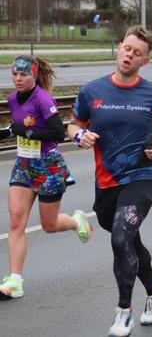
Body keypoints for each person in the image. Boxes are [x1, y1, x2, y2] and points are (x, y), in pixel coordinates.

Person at [68, 26, 152, 336]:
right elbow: (73, 124)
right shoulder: (92, 90)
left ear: (145, 61)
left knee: (120, 239)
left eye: (137, 53)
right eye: (127, 48)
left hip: (143, 176)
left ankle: (123, 312)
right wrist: (79, 135)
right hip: (107, 182)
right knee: (124, 237)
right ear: (119, 48)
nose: (130, 55)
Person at [0, 56, 91, 300]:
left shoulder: (43, 99)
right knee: (17, 220)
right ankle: (14, 281)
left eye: (24, 75)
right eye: (15, 75)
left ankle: (76, 221)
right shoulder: (11, 99)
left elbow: (57, 133)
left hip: (48, 165)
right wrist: (10, 131)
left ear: (34, 76)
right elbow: (20, 125)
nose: (18, 79)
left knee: (49, 225)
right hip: (24, 164)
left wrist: (25, 132)